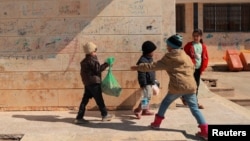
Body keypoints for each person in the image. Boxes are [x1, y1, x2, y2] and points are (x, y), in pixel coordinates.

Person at [131, 34, 208, 140]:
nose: (167, 47)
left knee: (164, 103)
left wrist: (137, 67)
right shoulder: (185, 55)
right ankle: (205, 131)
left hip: (177, 86)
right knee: (195, 109)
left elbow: (154, 66)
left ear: (172, 46)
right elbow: (192, 67)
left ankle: (155, 123)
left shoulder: (169, 57)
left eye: (168, 45)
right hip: (190, 86)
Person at [74, 42, 114, 124]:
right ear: (92, 51)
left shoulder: (84, 61)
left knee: (84, 101)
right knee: (99, 100)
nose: (96, 52)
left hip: (87, 83)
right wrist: (107, 64)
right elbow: (98, 70)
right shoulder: (93, 60)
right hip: (94, 83)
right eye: (95, 50)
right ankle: (105, 115)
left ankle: (79, 117)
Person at [181, 28, 209, 109]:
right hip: (190, 68)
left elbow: (206, 57)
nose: (196, 37)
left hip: (198, 69)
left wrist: (203, 67)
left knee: (196, 85)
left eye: (197, 36)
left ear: (201, 36)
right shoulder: (189, 45)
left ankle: (191, 100)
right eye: (194, 36)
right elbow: (183, 55)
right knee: (190, 85)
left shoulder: (203, 46)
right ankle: (191, 101)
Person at [133, 41, 157, 119]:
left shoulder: (150, 59)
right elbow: (141, 74)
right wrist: (143, 83)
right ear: (148, 51)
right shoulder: (143, 61)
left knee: (148, 96)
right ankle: (138, 109)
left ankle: (145, 110)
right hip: (146, 82)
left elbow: (152, 71)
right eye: (152, 51)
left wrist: (154, 80)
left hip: (150, 81)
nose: (153, 52)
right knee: (146, 97)